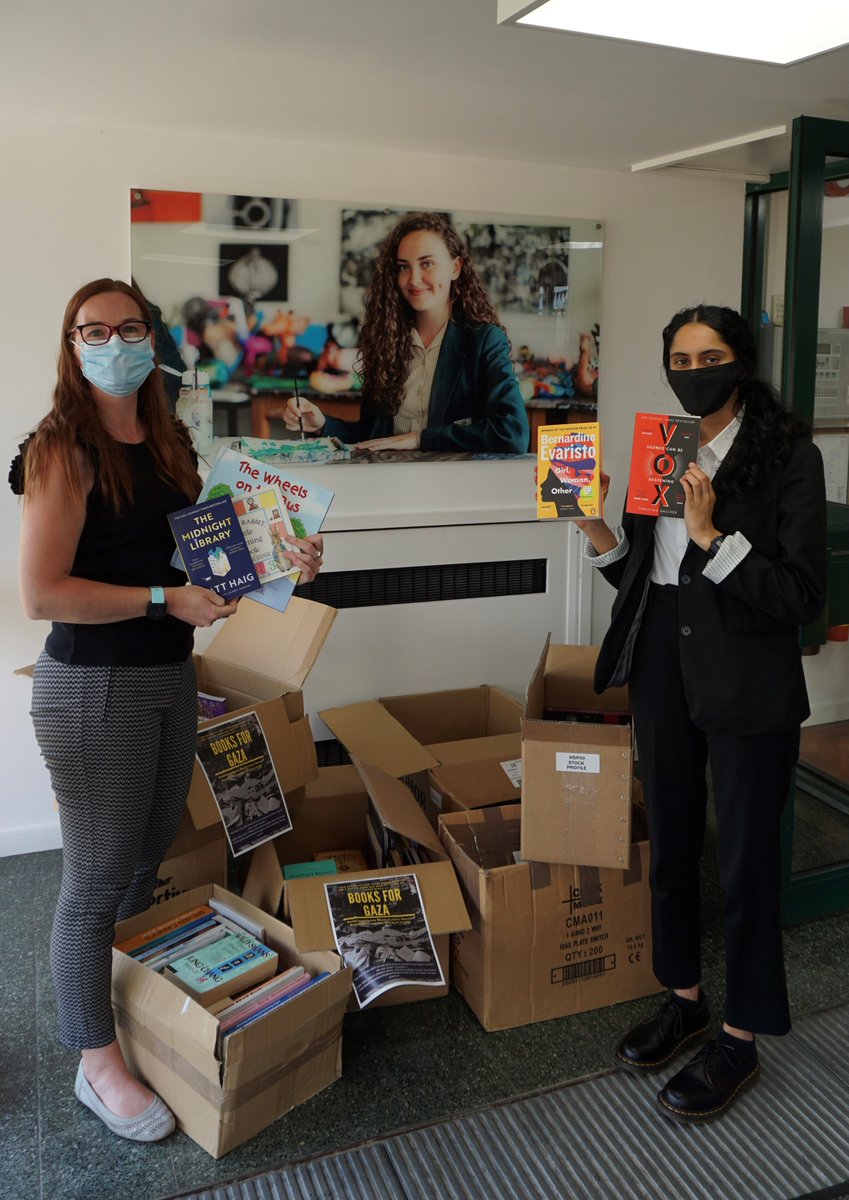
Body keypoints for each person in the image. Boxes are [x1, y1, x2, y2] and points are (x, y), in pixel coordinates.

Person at [13, 278, 325, 1143]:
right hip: (95, 687)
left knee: (145, 855)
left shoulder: (171, 440)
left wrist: (287, 553)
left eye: (129, 327)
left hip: (166, 677)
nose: (113, 342)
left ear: (152, 337)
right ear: (71, 343)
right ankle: (94, 1061)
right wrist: (164, 600)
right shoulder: (61, 448)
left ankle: (117, 1006)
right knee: (94, 883)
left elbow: (214, 560)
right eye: (94, 329)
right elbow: (43, 594)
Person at [577, 305, 827, 1123]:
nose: (692, 369)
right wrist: (601, 536)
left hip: (746, 683)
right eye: (679, 357)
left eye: (709, 355)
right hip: (662, 671)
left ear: (740, 362)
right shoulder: (664, 446)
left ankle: (739, 1036)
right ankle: (682, 997)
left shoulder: (787, 455)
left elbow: (799, 597)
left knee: (748, 863)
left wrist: (712, 533)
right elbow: (652, 585)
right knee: (673, 843)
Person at [280, 211, 530, 454]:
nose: (414, 279)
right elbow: (374, 438)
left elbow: (512, 434)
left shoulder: (484, 340)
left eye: (427, 263)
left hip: (453, 488)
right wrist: (322, 424)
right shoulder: (384, 341)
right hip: (389, 486)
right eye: (403, 267)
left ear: (455, 268)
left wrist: (419, 439)